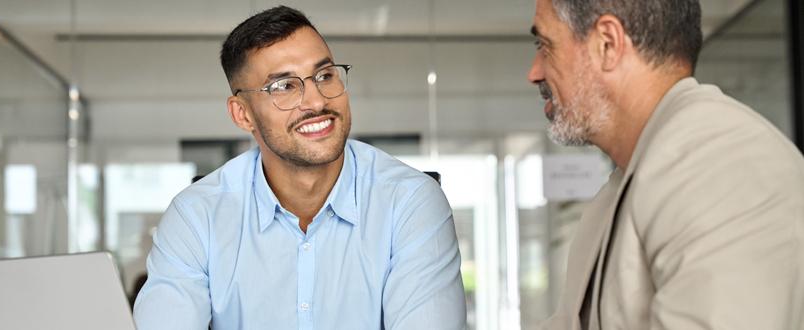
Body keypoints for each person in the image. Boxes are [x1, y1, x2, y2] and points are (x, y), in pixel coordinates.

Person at [133, 6, 466, 330]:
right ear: (243, 115)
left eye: (324, 75)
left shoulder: (409, 201)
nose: (318, 101)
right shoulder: (197, 215)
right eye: (284, 86)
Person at [527, 0, 804, 329]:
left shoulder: (720, 163)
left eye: (545, 45)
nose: (534, 73)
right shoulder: (621, 190)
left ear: (607, 44)